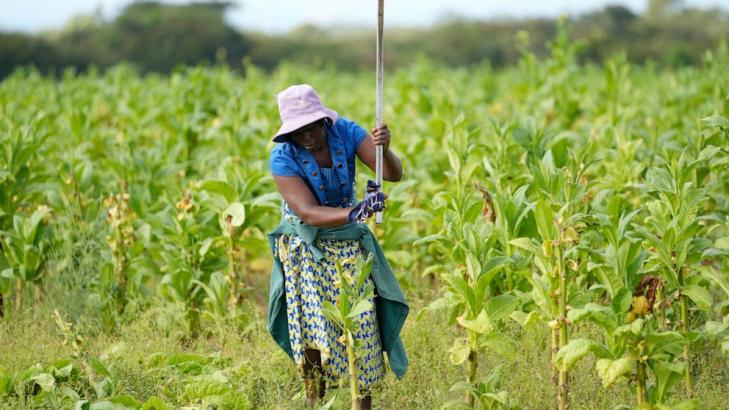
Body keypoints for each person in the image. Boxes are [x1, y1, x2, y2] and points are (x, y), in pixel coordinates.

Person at [266, 84, 409, 409]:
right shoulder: (282, 157)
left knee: (361, 323)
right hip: (307, 246)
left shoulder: (346, 132)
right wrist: (356, 212)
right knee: (315, 328)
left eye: (312, 126)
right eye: (298, 130)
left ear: (324, 121)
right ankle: (315, 401)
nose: (307, 135)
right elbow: (307, 213)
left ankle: (362, 401)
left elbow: (392, 174)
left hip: (348, 244)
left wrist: (384, 149)